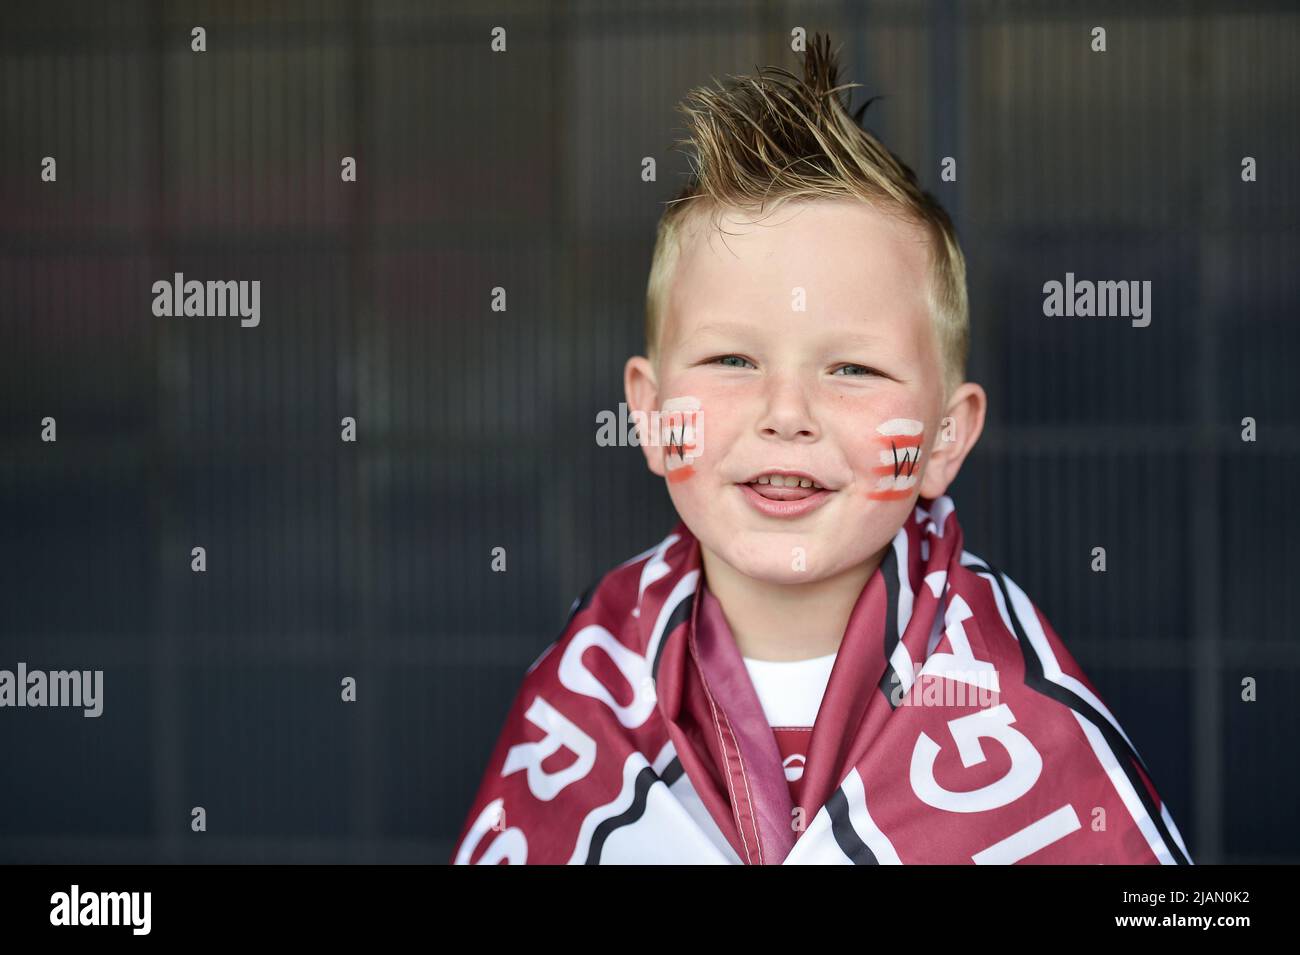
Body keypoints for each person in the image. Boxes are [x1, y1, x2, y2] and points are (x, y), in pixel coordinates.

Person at [450, 33, 1191, 865]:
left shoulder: (1021, 711)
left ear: (945, 438)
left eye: (853, 367)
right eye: (733, 359)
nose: (787, 412)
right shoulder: (587, 685)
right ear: (653, 416)